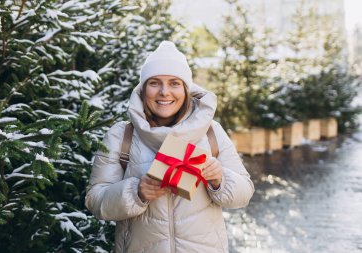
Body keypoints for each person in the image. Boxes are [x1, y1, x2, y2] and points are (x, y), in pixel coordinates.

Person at [85, 41, 254, 253]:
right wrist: (136, 192)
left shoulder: (212, 132)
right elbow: (95, 201)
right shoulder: (122, 135)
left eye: (174, 83)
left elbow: (245, 192)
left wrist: (219, 179)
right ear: (143, 88)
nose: (164, 92)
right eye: (154, 83)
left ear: (186, 89)